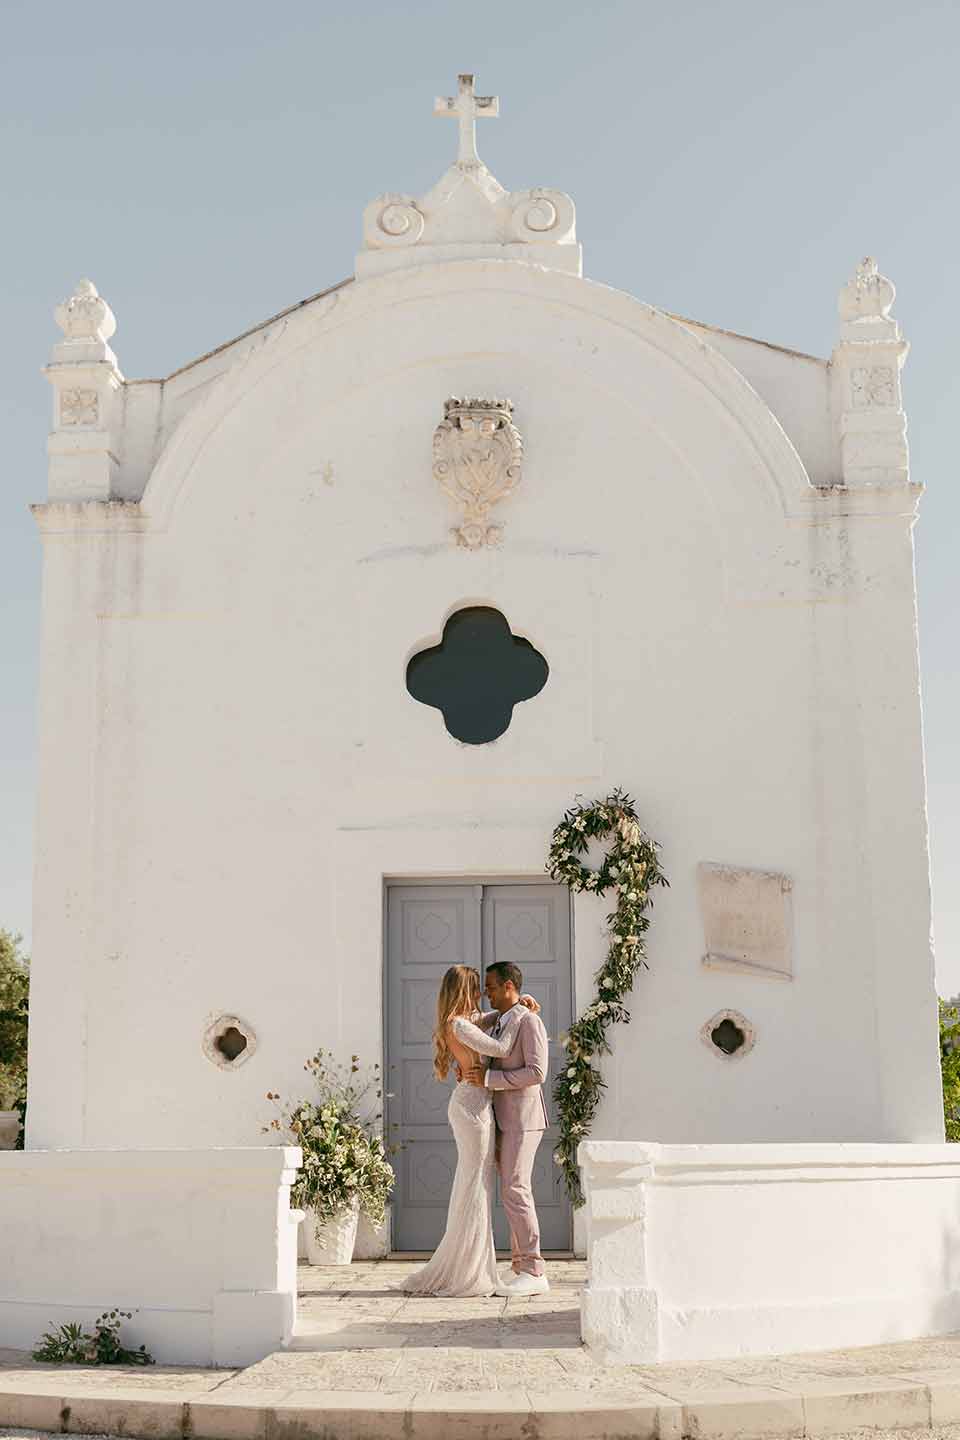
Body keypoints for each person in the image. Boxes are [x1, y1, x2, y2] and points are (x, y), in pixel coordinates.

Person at [399, 964, 539, 1298]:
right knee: (475, 1184)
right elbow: (503, 1048)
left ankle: (469, 1263)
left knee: (476, 1183)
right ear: (464, 990)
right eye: (476, 988)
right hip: (472, 1109)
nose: (482, 994)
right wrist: (520, 1012)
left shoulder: (465, 1021)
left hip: (474, 1106)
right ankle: (468, 1271)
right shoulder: (459, 1025)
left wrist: (519, 1005)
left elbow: (492, 1019)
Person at [462, 961, 550, 1296]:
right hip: (503, 1119)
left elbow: (536, 1072)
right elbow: (466, 1024)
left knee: (515, 1189)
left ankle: (533, 1269)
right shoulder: (501, 1019)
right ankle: (522, 1266)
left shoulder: (530, 1022)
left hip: (525, 1120)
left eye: (492, 986)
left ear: (509, 985)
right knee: (511, 1190)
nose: (487, 992)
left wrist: (488, 1079)